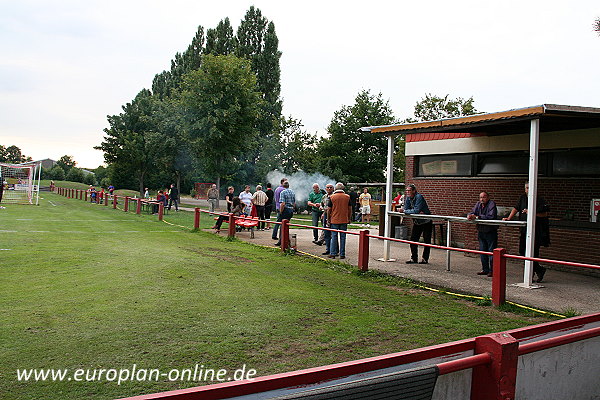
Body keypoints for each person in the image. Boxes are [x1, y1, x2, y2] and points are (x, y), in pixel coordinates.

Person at [503, 182, 550, 283]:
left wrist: (532, 213)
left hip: (536, 231)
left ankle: (531, 273)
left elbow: (545, 214)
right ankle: (539, 269)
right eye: (527, 188)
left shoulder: (539, 199)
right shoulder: (522, 198)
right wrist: (509, 218)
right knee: (522, 251)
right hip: (525, 230)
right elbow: (516, 208)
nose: (528, 190)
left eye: (530, 188)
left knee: (533, 252)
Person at [399, 184, 432, 264]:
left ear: (414, 191)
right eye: (406, 191)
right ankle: (414, 258)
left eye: (409, 191)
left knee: (426, 240)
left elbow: (416, 210)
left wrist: (405, 211)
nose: (407, 192)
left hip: (426, 221)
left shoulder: (419, 197)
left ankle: (425, 258)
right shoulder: (408, 198)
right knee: (413, 239)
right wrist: (406, 210)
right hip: (417, 221)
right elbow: (406, 209)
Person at [467, 191, 498, 277]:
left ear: (488, 197)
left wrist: (478, 217)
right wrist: (470, 215)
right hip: (481, 230)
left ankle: (492, 270)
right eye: (480, 197)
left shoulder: (492, 204)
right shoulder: (478, 204)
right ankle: (485, 269)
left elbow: (491, 216)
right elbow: (473, 212)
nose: (482, 199)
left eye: (484, 197)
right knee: (482, 250)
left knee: (491, 251)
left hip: (490, 231)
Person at [327, 183, 352, 259]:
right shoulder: (347, 197)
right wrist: (349, 218)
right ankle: (342, 254)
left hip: (334, 219)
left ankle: (333, 253)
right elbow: (350, 209)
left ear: (336, 188)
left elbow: (329, 210)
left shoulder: (332, 197)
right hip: (344, 219)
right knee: (343, 237)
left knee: (334, 236)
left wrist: (328, 219)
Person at [274, 181, 295, 246]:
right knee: (286, 225)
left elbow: (282, 204)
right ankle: (285, 240)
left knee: (282, 226)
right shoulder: (292, 192)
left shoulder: (283, 192)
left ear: (283, 186)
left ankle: (281, 241)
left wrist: (280, 211)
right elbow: (294, 203)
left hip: (285, 210)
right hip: (290, 210)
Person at [317, 184, 335, 252]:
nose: (329, 188)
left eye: (331, 187)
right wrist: (321, 208)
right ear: (326, 189)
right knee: (326, 233)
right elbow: (322, 205)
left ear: (333, 189)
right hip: (325, 215)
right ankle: (328, 249)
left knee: (333, 234)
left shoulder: (334, 196)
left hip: (332, 216)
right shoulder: (324, 196)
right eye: (328, 187)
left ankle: (334, 250)